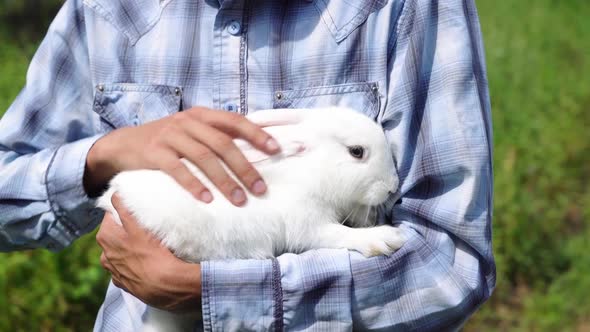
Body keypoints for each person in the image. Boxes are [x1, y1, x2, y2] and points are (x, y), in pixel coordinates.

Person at [0, 0, 495, 330]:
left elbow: (453, 264)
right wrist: (107, 154)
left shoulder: (405, 9)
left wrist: (217, 293)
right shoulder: (105, 9)